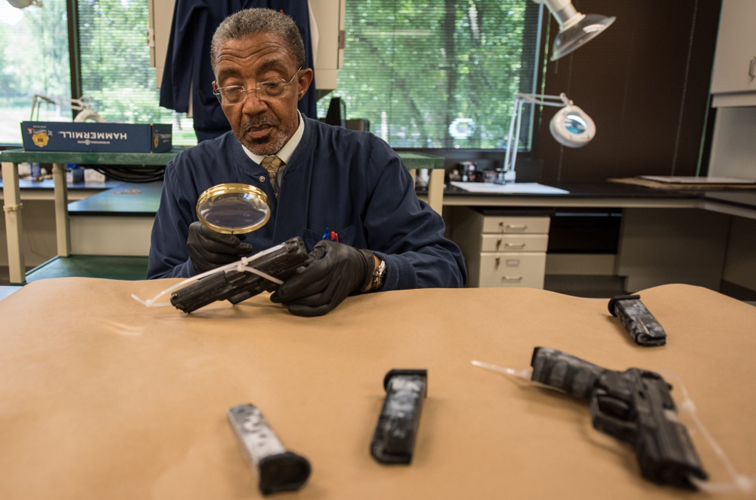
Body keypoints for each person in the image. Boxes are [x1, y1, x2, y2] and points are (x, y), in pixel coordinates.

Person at [148, 8, 466, 316]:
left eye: (271, 83)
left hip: (337, 351)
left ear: (301, 83)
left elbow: (445, 268)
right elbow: (156, 292)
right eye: (233, 89)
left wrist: (370, 269)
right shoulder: (188, 172)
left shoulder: (366, 161)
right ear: (218, 92)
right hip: (228, 357)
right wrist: (196, 268)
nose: (252, 105)